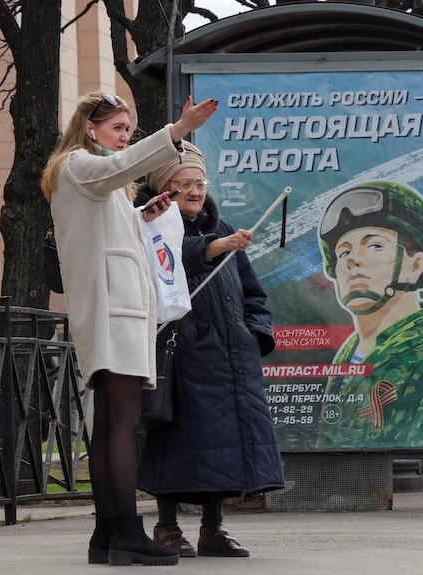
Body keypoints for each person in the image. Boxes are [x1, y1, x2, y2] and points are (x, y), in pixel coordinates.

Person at [40, 90, 218, 566]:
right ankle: (126, 533)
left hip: (112, 309)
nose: (124, 138)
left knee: (110, 427)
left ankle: (107, 535)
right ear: (89, 128)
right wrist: (177, 132)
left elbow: (108, 233)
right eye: (118, 128)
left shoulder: (89, 175)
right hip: (114, 311)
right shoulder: (79, 163)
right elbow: (116, 174)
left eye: (128, 131)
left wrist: (144, 216)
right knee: (121, 426)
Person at [135, 141, 284, 558]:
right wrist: (214, 248)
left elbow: (254, 296)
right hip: (180, 357)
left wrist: (254, 334)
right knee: (174, 442)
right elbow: (167, 262)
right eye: (184, 183)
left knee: (224, 445)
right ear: (164, 186)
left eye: (200, 182)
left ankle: (212, 529)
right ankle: (166, 527)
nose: (195, 190)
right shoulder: (147, 225)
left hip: (231, 356)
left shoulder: (222, 228)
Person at [316, 181, 423, 449]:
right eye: (343, 251)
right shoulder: (348, 354)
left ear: (415, 265)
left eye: (375, 246)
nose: (352, 260)